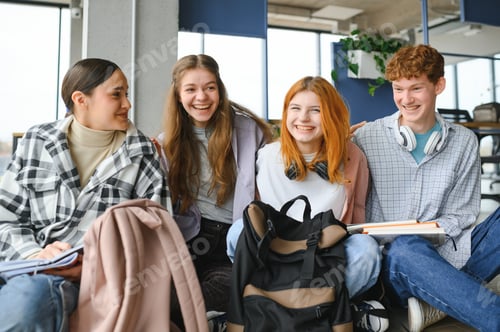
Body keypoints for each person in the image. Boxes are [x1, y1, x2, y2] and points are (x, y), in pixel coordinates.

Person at [0, 58, 170, 331]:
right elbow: (5, 218)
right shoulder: (37, 141)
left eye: (126, 94)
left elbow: (159, 235)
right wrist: (34, 255)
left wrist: (96, 266)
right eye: (117, 94)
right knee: (28, 295)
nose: (127, 104)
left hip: (103, 280)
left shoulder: (142, 152)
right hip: (29, 268)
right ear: (81, 99)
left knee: (29, 302)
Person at [352, 44, 500, 332]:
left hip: (448, 251)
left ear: (438, 85)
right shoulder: (367, 137)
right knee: (407, 247)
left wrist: (428, 230)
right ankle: (466, 303)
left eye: (416, 88)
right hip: (395, 261)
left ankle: (437, 299)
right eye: (398, 89)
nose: (405, 99)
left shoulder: (464, 141)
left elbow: (462, 215)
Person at [226, 76, 388, 332]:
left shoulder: (352, 156)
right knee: (237, 232)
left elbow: (355, 220)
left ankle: (292, 309)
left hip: (325, 254)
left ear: (331, 116)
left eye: (316, 111)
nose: (303, 118)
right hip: (278, 252)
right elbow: (254, 217)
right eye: (296, 108)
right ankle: (328, 311)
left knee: (367, 249)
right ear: (286, 113)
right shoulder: (267, 156)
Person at [158, 54, 273, 326]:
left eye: (210, 87)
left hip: (233, 238)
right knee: (157, 293)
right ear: (177, 94)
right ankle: (208, 318)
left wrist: (333, 138)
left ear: (219, 90)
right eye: (191, 89)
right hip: (190, 237)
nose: (202, 97)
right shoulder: (166, 143)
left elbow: (281, 162)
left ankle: (207, 315)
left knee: (225, 289)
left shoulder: (248, 129)